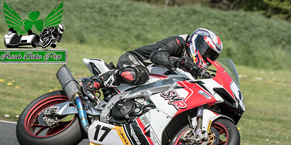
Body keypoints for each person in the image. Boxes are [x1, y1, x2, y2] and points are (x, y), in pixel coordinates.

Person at [82, 28, 223, 95]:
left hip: (152, 80)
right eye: (206, 51)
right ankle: (94, 82)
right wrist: (179, 62)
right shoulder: (179, 42)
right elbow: (157, 55)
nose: (207, 57)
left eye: (211, 56)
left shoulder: (194, 68)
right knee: (139, 74)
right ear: (197, 43)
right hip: (135, 61)